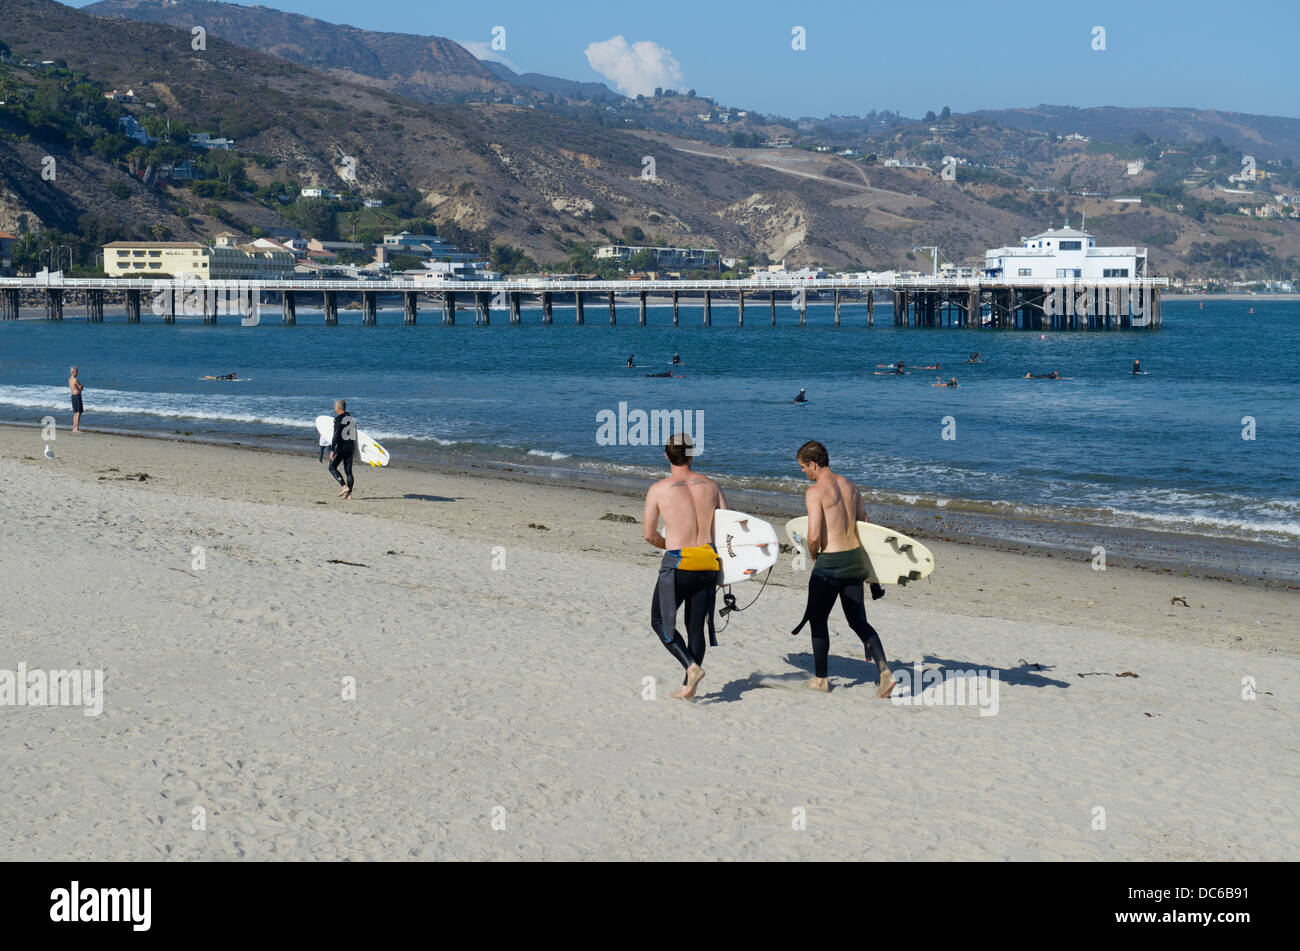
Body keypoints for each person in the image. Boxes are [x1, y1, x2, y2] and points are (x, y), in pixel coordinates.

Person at [790, 440, 893, 696]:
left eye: (803, 467)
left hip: (831, 563)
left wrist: (815, 557)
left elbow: (813, 535)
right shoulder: (850, 486)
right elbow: (866, 526)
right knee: (858, 621)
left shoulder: (815, 492)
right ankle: (885, 672)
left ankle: (821, 680)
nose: (803, 472)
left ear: (813, 464)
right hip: (855, 560)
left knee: (817, 619)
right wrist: (873, 577)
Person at [642, 432, 726, 700]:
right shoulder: (712, 486)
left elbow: (649, 534)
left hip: (679, 563)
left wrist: (669, 544)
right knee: (695, 627)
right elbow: (727, 529)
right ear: (691, 454)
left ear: (667, 455)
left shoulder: (658, 489)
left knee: (660, 621)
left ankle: (691, 667)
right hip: (709, 562)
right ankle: (687, 686)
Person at [328, 399, 356, 500]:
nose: (334, 408)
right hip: (350, 447)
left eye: (335, 406)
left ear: (339, 408)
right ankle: (349, 494)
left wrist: (332, 450)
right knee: (348, 471)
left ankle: (344, 486)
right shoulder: (351, 418)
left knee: (332, 467)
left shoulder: (338, 419)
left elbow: (335, 435)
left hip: (341, 448)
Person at [68, 367, 84, 433]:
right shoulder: (75, 379)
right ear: (73, 372)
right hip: (77, 396)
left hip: (73, 396)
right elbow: (80, 388)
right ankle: (76, 429)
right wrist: (82, 386)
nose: (77, 373)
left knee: (75, 413)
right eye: (76, 371)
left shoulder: (69, 379)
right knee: (78, 413)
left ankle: (74, 428)